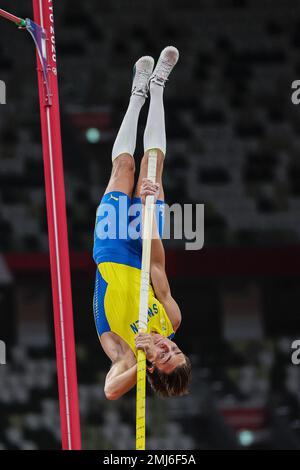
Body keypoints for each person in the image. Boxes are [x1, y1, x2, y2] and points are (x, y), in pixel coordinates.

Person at [93, 46, 191, 400]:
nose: (168, 347)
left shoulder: (123, 354)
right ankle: (158, 85)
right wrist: (149, 212)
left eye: (165, 357)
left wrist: (141, 356)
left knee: (124, 169)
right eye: (175, 350)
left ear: (154, 369)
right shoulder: (171, 320)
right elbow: (156, 264)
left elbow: (110, 391)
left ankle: (137, 93)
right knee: (151, 166)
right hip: (142, 246)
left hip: (110, 250)